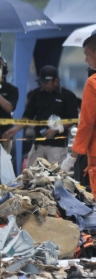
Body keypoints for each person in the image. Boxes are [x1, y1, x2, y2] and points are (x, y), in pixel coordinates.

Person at [3, 65, 78, 166]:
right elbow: (28, 116)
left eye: (47, 82)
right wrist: (16, 129)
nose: (44, 85)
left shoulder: (68, 96)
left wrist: (56, 128)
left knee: (56, 177)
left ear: (56, 81)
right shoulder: (36, 94)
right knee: (30, 176)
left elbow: (73, 120)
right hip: (38, 144)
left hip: (57, 146)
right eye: (42, 82)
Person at [61, 30, 96, 191]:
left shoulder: (93, 83)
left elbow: (87, 123)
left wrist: (72, 157)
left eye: (87, 54)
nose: (85, 60)